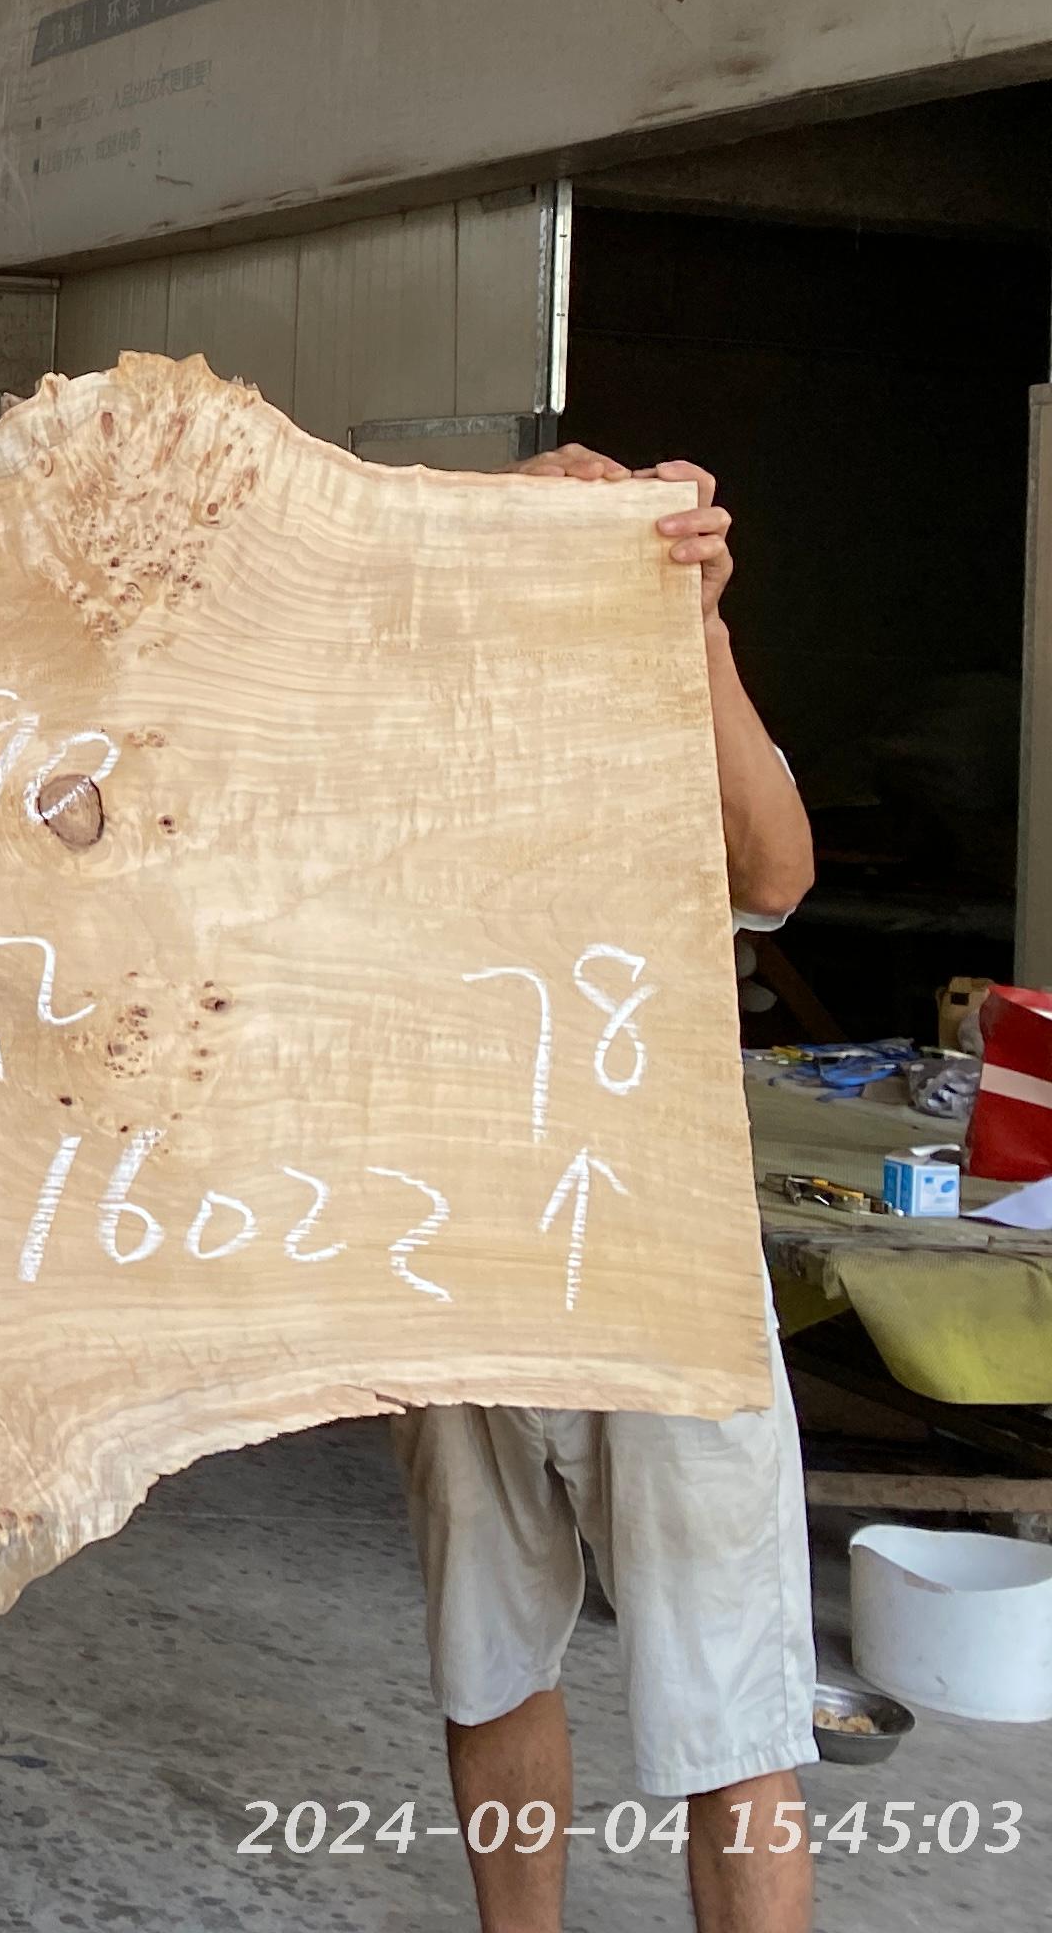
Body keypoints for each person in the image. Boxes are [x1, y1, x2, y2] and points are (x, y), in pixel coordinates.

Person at [392, 444, 819, 1933]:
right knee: (487, 1659)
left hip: (656, 1255)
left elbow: (775, 874)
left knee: (731, 1705)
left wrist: (697, 622)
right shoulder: (426, 721)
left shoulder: (662, 690)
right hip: (464, 1246)